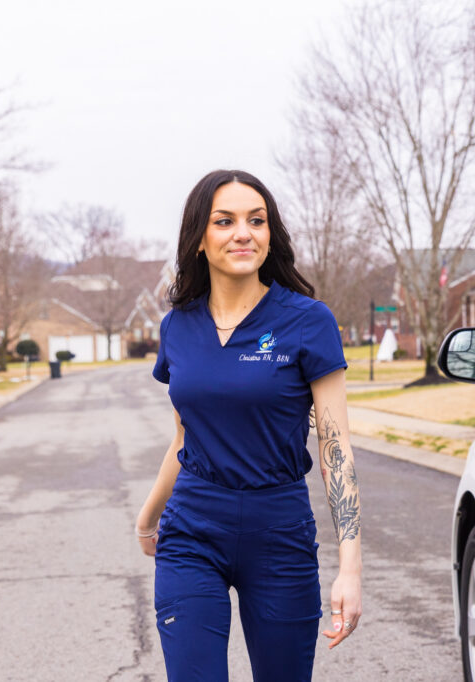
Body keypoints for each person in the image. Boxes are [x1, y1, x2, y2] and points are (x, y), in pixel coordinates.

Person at [134, 169, 362, 681]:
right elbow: (183, 438)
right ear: (198, 239)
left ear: (270, 234)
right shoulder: (177, 326)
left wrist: (350, 568)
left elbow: (335, 446)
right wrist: (148, 518)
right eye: (225, 221)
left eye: (256, 220)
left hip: (279, 532)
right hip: (191, 530)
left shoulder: (308, 320)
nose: (243, 232)